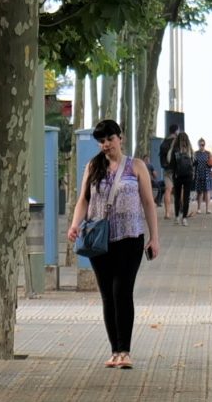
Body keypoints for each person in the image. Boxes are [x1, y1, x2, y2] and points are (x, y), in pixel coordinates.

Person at [67, 118, 161, 369]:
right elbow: (83, 201)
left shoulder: (136, 166)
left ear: (120, 138)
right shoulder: (93, 167)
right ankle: (115, 351)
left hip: (130, 238)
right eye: (102, 141)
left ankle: (126, 350)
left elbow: (149, 203)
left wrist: (154, 237)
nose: (106, 145)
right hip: (100, 239)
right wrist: (75, 225)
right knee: (108, 294)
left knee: (122, 290)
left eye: (110, 139)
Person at [166, 131, 196, 221]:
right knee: (186, 197)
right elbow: (194, 162)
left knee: (177, 197)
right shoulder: (190, 150)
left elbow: (171, 163)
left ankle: (177, 216)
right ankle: (184, 218)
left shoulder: (174, 150)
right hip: (188, 176)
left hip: (177, 176)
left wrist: (172, 173)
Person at [195, 139, 212, 214]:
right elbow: (193, 164)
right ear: (198, 145)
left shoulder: (208, 153)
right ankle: (199, 208)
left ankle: (208, 209)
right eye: (200, 144)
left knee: (207, 191)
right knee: (199, 192)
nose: (202, 146)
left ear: (204, 145)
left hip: (207, 174)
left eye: (203, 144)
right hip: (198, 174)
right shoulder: (195, 154)